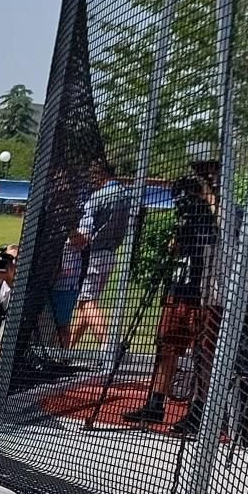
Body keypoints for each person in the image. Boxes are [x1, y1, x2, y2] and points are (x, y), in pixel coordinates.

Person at [123, 143, 222, 428]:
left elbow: (225, 229)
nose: (201, 174)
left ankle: (200, 409)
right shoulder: (187, 196)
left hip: (206, 290)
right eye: (198, 169)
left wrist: (209, 195)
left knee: (204, 352)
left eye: (207, 169)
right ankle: (156, 404)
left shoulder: (221, 204)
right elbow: (177, 237)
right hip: (179, 286)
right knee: (166, 345)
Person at [66, 153, 131, 358]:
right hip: (110, 254)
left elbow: (83, 236)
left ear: (100, 174)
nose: (91, 179)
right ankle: (65, 349)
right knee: (88, 304)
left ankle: (109, 345)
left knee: (86, 301)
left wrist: (69, 233)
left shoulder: (98, 197)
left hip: (93, 255)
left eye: (93, 175)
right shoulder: (125, 194)